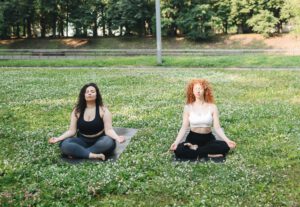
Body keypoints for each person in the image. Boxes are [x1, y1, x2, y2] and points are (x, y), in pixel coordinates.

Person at [49, 83, 125, 160]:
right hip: (82, 141)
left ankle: (79, 153)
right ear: (84, 95)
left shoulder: (103, 110)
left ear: (97, 95)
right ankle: (93, 155)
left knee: (108, 142)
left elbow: (109, 130)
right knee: (64, 144)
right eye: (87, 92)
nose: (89, 93)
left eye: (92, 91)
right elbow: (72, 131)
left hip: (100, 140)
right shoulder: (77, 111)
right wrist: (58, 138)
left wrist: (117, 138)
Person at [170, 79, 236, 160]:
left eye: (200, 89)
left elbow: (217, 128)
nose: (198, 91)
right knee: (178, 149)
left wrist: (227, 140)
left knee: (225, 146)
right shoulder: (188, 107)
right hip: (192, 138)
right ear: (192, 91)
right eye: (195, 89)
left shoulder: (212, 107)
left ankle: (196, 151)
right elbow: (184, 127)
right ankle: (208, 154)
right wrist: (176, 142)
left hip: (208, 139)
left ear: (205, 90)